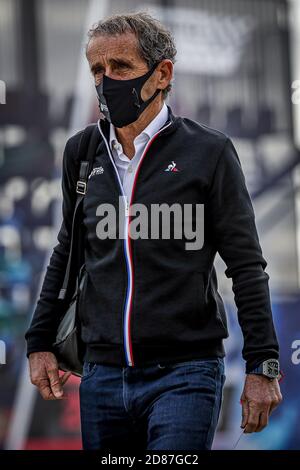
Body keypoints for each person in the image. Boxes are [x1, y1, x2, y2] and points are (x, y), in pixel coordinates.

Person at [25, 12, 282, 450]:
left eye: (120, 68)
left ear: (162, 73)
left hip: (185, 371)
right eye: (97, 70)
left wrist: (263, 364)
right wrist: (39, 341)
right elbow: (68, 250)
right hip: (102, 374)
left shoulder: (210, 151)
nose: (107, 82)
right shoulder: (82, 152)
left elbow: (246, 263)